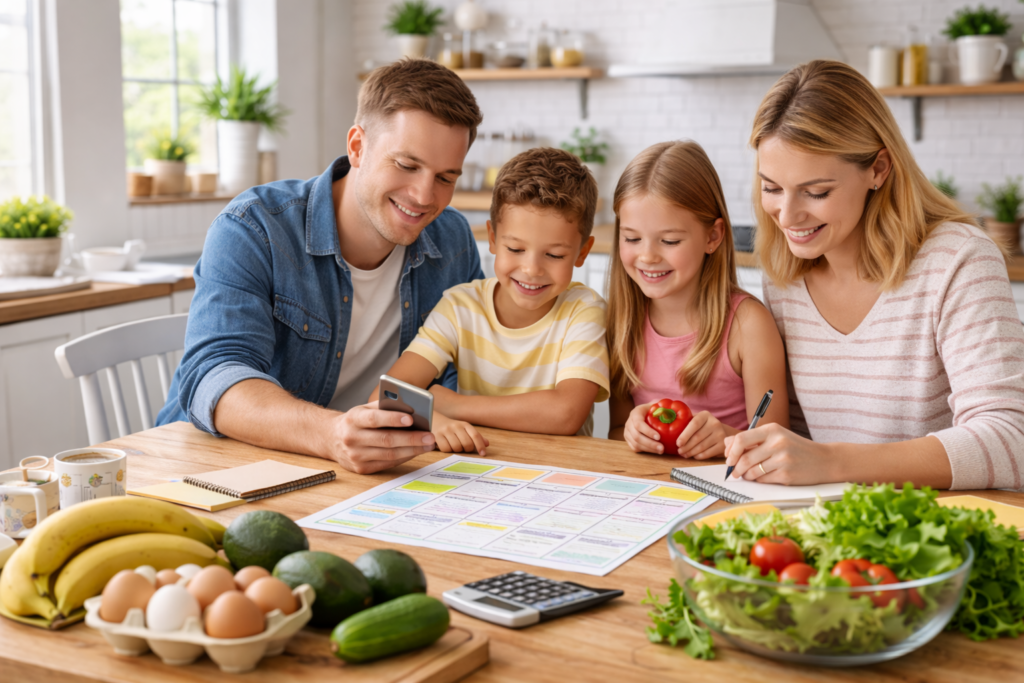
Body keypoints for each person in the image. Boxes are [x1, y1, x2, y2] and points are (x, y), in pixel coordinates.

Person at [156, 59, 485, 474]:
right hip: (215, 469)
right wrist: (332, 435)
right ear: (357, 146)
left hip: (359, 476)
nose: (423, 196)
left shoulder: (451, 239)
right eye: (406, 165)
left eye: (445, 177)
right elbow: (213, 376)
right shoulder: (253, 228)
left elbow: (463, 371)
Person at [724, 60, 1024, 490]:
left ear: (878, 169)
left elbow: (1011, 441)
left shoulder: (958, 260)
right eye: (771, 188)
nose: (787, 216)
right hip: (838, 533)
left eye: (816, 191)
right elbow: (798, 439)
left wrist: (833, 462)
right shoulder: (786, 277)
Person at [370, 147, 610, 452]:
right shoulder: (460, 307)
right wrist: (434, 419)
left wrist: (454, 407)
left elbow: (566, 414)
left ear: (582, 252)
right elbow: (384, 394)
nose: (531, 269)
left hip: (560, 472)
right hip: (478, 467)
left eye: (554, 255)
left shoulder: (584, 311)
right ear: (493, 239)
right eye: (515, 249)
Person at [607, 141, 789, 458]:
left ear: (713, 236)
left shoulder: (748, 325)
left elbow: (779, 446)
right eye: (632, 238)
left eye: (669, 240)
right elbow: (614, 432)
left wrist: (726, 441)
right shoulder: (623, 320)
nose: (648, 255)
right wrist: (629, 432)